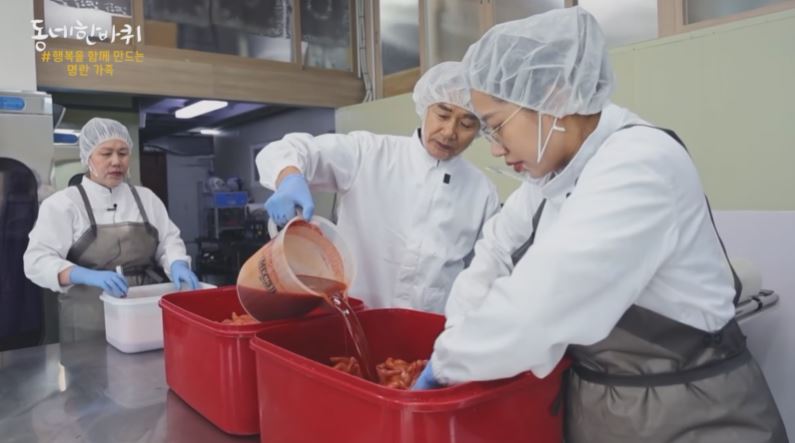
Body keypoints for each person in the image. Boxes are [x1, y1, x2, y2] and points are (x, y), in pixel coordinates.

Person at [412, 7, 788, 443]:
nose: (495, 149)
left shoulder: (640, 162)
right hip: (606, 410)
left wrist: (449, 364)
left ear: (552, 99)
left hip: (694, 415)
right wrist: (457, 333)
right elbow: (493, 253)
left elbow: (546, 298)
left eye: (495, 127)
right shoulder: (551, 177)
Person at [257, 62, 500, 312]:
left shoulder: (482, 193)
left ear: (480, 129)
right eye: (443, 115)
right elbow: (291, 150)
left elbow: (483, 275)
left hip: (432, 329)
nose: (449, 132)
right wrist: (288, 178)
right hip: (355, 317)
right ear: (426, 107)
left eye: (466, 124)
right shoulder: (369, 153)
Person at [24, 118, 199, 343]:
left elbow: (168, 241)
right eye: (106, 153)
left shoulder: (146, 198)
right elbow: (37, 260)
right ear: (88, 157)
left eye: (123, 153)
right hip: (86, 322)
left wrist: (177, 263)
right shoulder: (63, 204)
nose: (116, 161)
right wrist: (84, 274)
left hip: (143, 311)